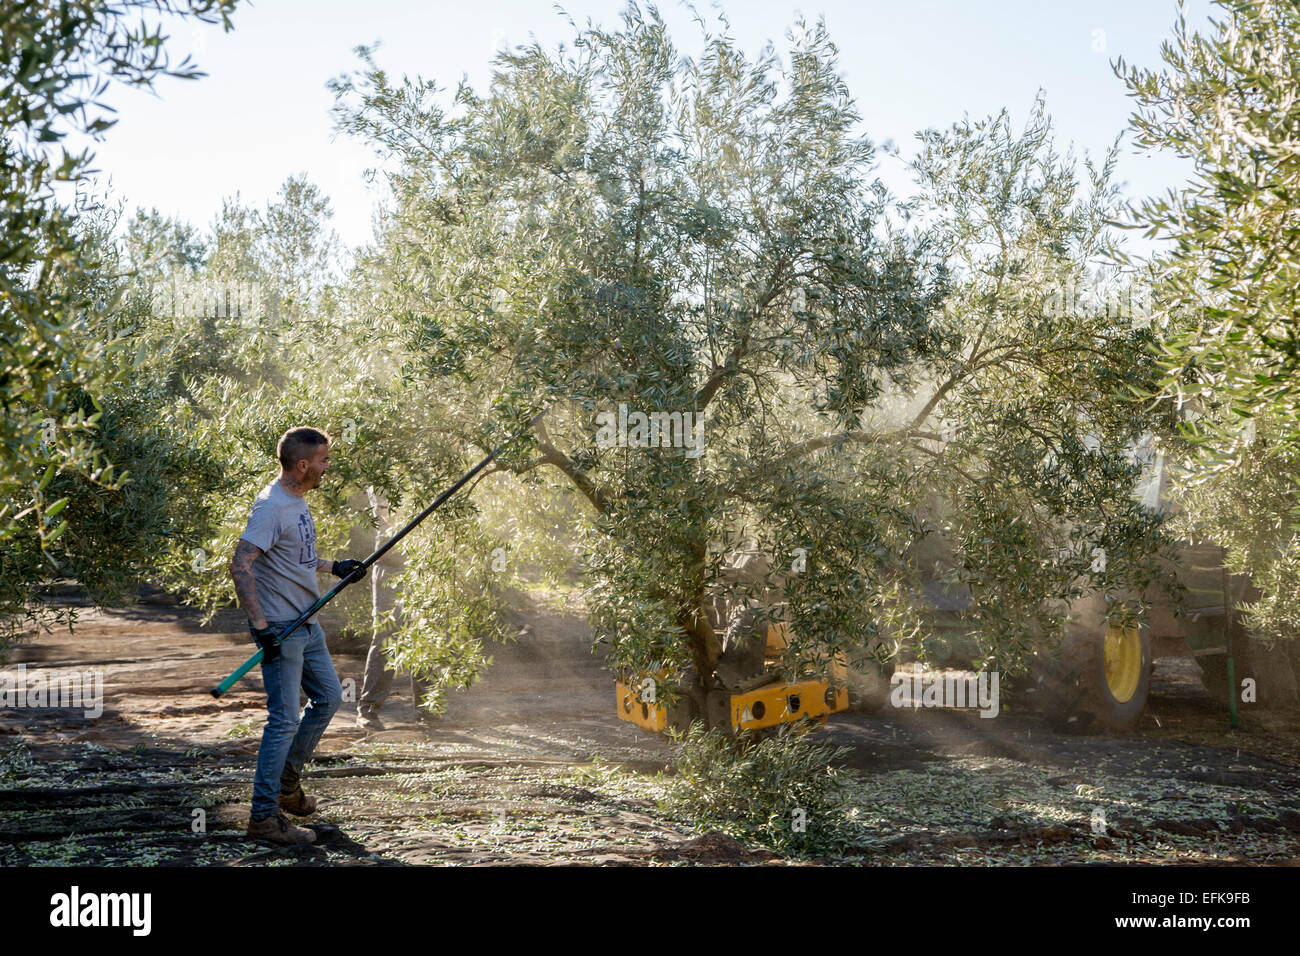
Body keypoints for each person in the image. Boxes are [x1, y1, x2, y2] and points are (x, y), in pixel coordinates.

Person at [228, 426, 367, 845]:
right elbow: (240, 565)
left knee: (329, 696)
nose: (328, 467)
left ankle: (288, 783)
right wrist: (261, 627)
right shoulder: (271, 507)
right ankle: (263, 818)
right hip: (282, 630)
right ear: (303, 465)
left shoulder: (297, 501)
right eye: (324, 461)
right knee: (284, 719)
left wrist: (335, 566)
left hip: (307, 623)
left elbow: (296, 558)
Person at [355, 488, 429, 730]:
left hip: (423, 565)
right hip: (391, 566)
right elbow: (387, 515)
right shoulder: (385, 473)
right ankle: (368, 709)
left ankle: (428, 708)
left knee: (426, 632)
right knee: (387, 635)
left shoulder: (423, 468)